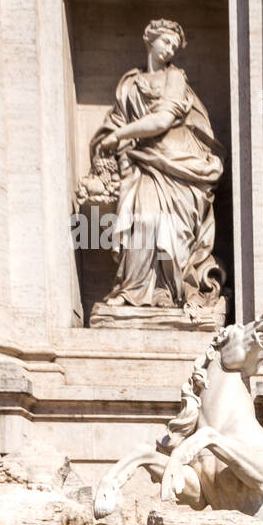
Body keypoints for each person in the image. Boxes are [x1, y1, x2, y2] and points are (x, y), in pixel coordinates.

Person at [88, 19, 225, 314]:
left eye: (175, 45)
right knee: (144, 221)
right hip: (142, 166)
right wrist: (110, 140)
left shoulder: (175, 79)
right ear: (149, 40)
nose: (170, 48)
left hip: (178, 167)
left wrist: (119, 136)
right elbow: (117, 122)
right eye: (166, 41)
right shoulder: (130, 84)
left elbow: (162, 120)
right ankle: (134, 290)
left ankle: (169, 293)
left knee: (171, 230)